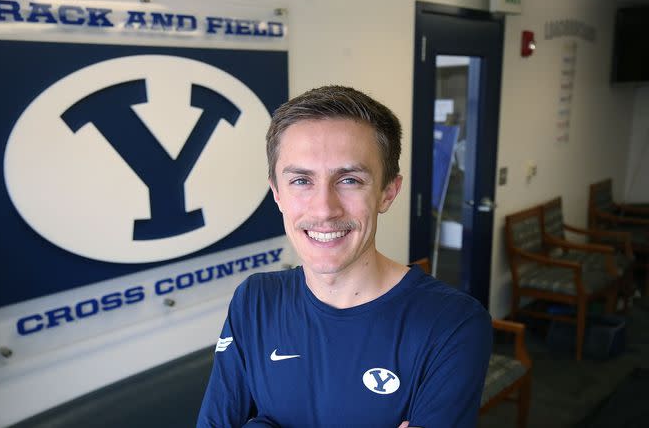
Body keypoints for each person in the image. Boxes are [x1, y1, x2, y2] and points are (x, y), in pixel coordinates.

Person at [197, 86, 491, 428]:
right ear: (277, 193)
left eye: (350, 180)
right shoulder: (255, 300)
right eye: (301, 180)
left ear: (387, 192)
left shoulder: (452, 324)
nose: (324, 209)